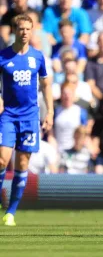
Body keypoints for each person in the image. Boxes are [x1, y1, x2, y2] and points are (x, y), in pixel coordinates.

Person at [0, 14, 53, 226]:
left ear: (32, 31)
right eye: (21, 29)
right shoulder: (3, 56)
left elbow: (46, 85)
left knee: (22, 163)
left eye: (28, 29)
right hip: (9, 115)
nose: (24, 33)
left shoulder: (38, 57)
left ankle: (10, 212)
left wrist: (49, 112)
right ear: (14, 30)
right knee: (2, 159)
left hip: (30, 117)